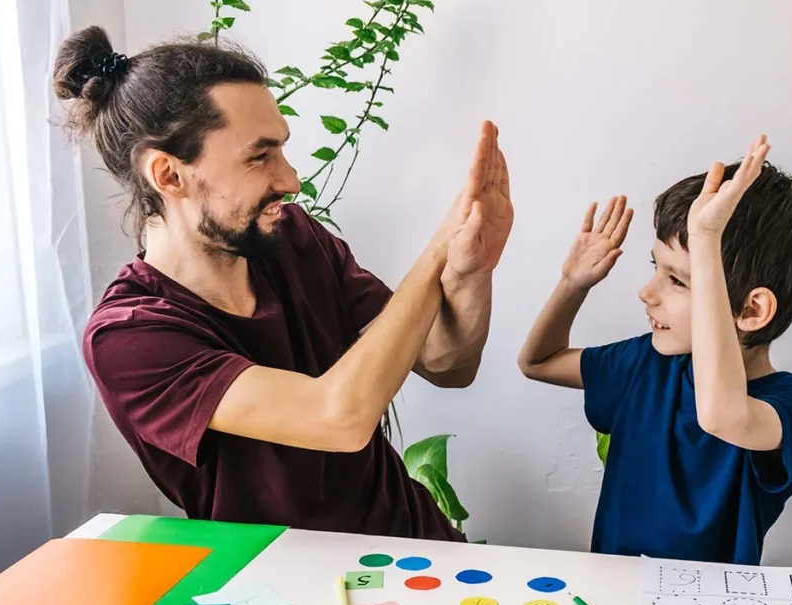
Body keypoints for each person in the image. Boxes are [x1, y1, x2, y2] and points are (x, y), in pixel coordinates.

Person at [54, 27, 513, 540]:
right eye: (260, 156)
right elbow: (338, 419)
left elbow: (446, 362)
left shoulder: (294, 239)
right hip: (284, 592)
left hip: (421, 549)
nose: (290, 179)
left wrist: (469, 272)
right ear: (168, 175)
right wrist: (437, 253)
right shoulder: (130, 336)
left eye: (282, 151)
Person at [518, 136, 792, 564]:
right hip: (611, 602)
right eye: (654, 268)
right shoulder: (644, 364)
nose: (647, 293)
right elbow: (537, 362)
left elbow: (720, 415)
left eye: (678, 280)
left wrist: (707, 239)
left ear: (752, 310)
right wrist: (573, 284)